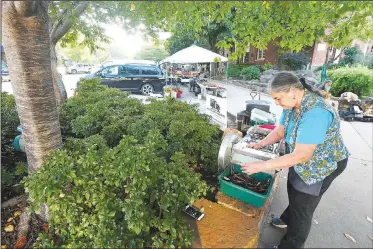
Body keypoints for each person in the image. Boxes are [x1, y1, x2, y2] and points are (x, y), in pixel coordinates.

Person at [241, 72, 349, 249]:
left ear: (292, 91)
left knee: (303, 210)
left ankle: (291, 244)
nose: (276, 103)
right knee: (293, 189)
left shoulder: (316, 113)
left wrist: (262, 165)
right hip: (303, 161)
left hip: (322, 166)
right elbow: (279, 132)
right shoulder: (291, 106)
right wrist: (259, 144)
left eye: (278, 98)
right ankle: (286, 219)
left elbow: (302, 155)